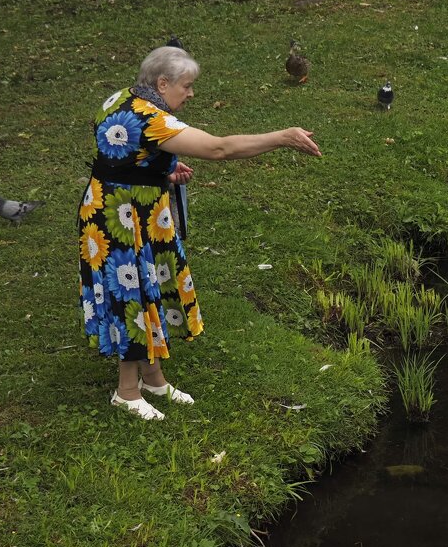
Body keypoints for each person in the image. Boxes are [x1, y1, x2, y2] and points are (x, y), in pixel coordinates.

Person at [78, 45, 322, 420]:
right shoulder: (152, 118)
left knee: (149, 288)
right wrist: (282, 137)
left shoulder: (119, 98)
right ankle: (126, 392)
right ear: (162, 83)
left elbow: (120, 152)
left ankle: (153, 379)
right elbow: (219, 149)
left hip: (116, 204)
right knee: (132, 295)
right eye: (187, 86)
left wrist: (161, 171)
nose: (191, 94)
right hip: (122, 219)